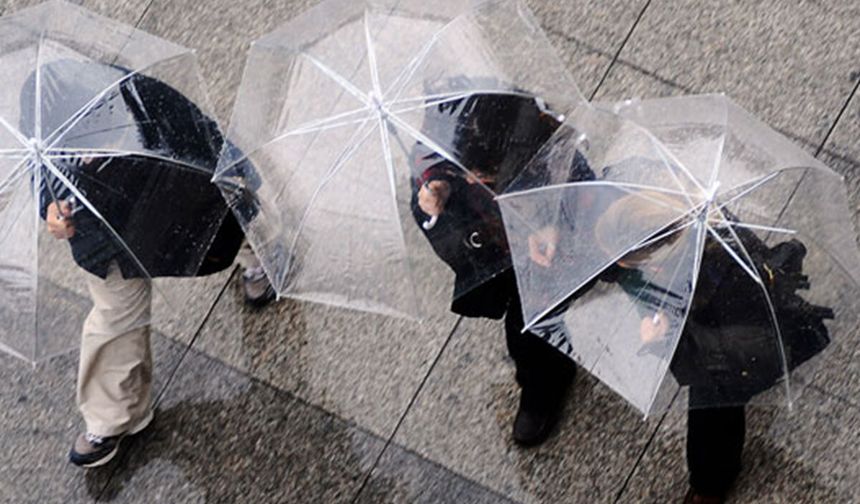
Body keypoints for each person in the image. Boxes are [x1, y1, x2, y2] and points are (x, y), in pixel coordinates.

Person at [28, 59, 274, 468]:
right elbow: (42, 173)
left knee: (220, 227)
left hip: (167, 194)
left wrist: (237, 177)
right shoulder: (40, 100)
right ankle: (112, 417)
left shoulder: (138, 95)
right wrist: (50, 209)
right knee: (114, 316)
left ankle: (262, 257)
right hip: (101, 232)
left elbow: (202, 145)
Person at [591, 192, 832, 503]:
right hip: (711, 314)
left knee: (714, 408)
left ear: (656, 257)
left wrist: (662, 339)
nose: (621, 268)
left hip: (746, 344)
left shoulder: (724, 277)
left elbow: (711, 358)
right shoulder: (671, 220)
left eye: (625, 260)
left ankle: (710, 483)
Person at [410, 85, 594, 446]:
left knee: (534, 325)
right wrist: (434, 210)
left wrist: (550, 224)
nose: (473, 181)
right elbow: (442, 230)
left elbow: (589, 201)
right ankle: (542, 380)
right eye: (467, 174)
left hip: (548, 263)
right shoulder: (444, 160)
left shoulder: (554, 157)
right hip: (498, 262)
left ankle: (547, 381)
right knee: (523, 330)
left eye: (483, 176)